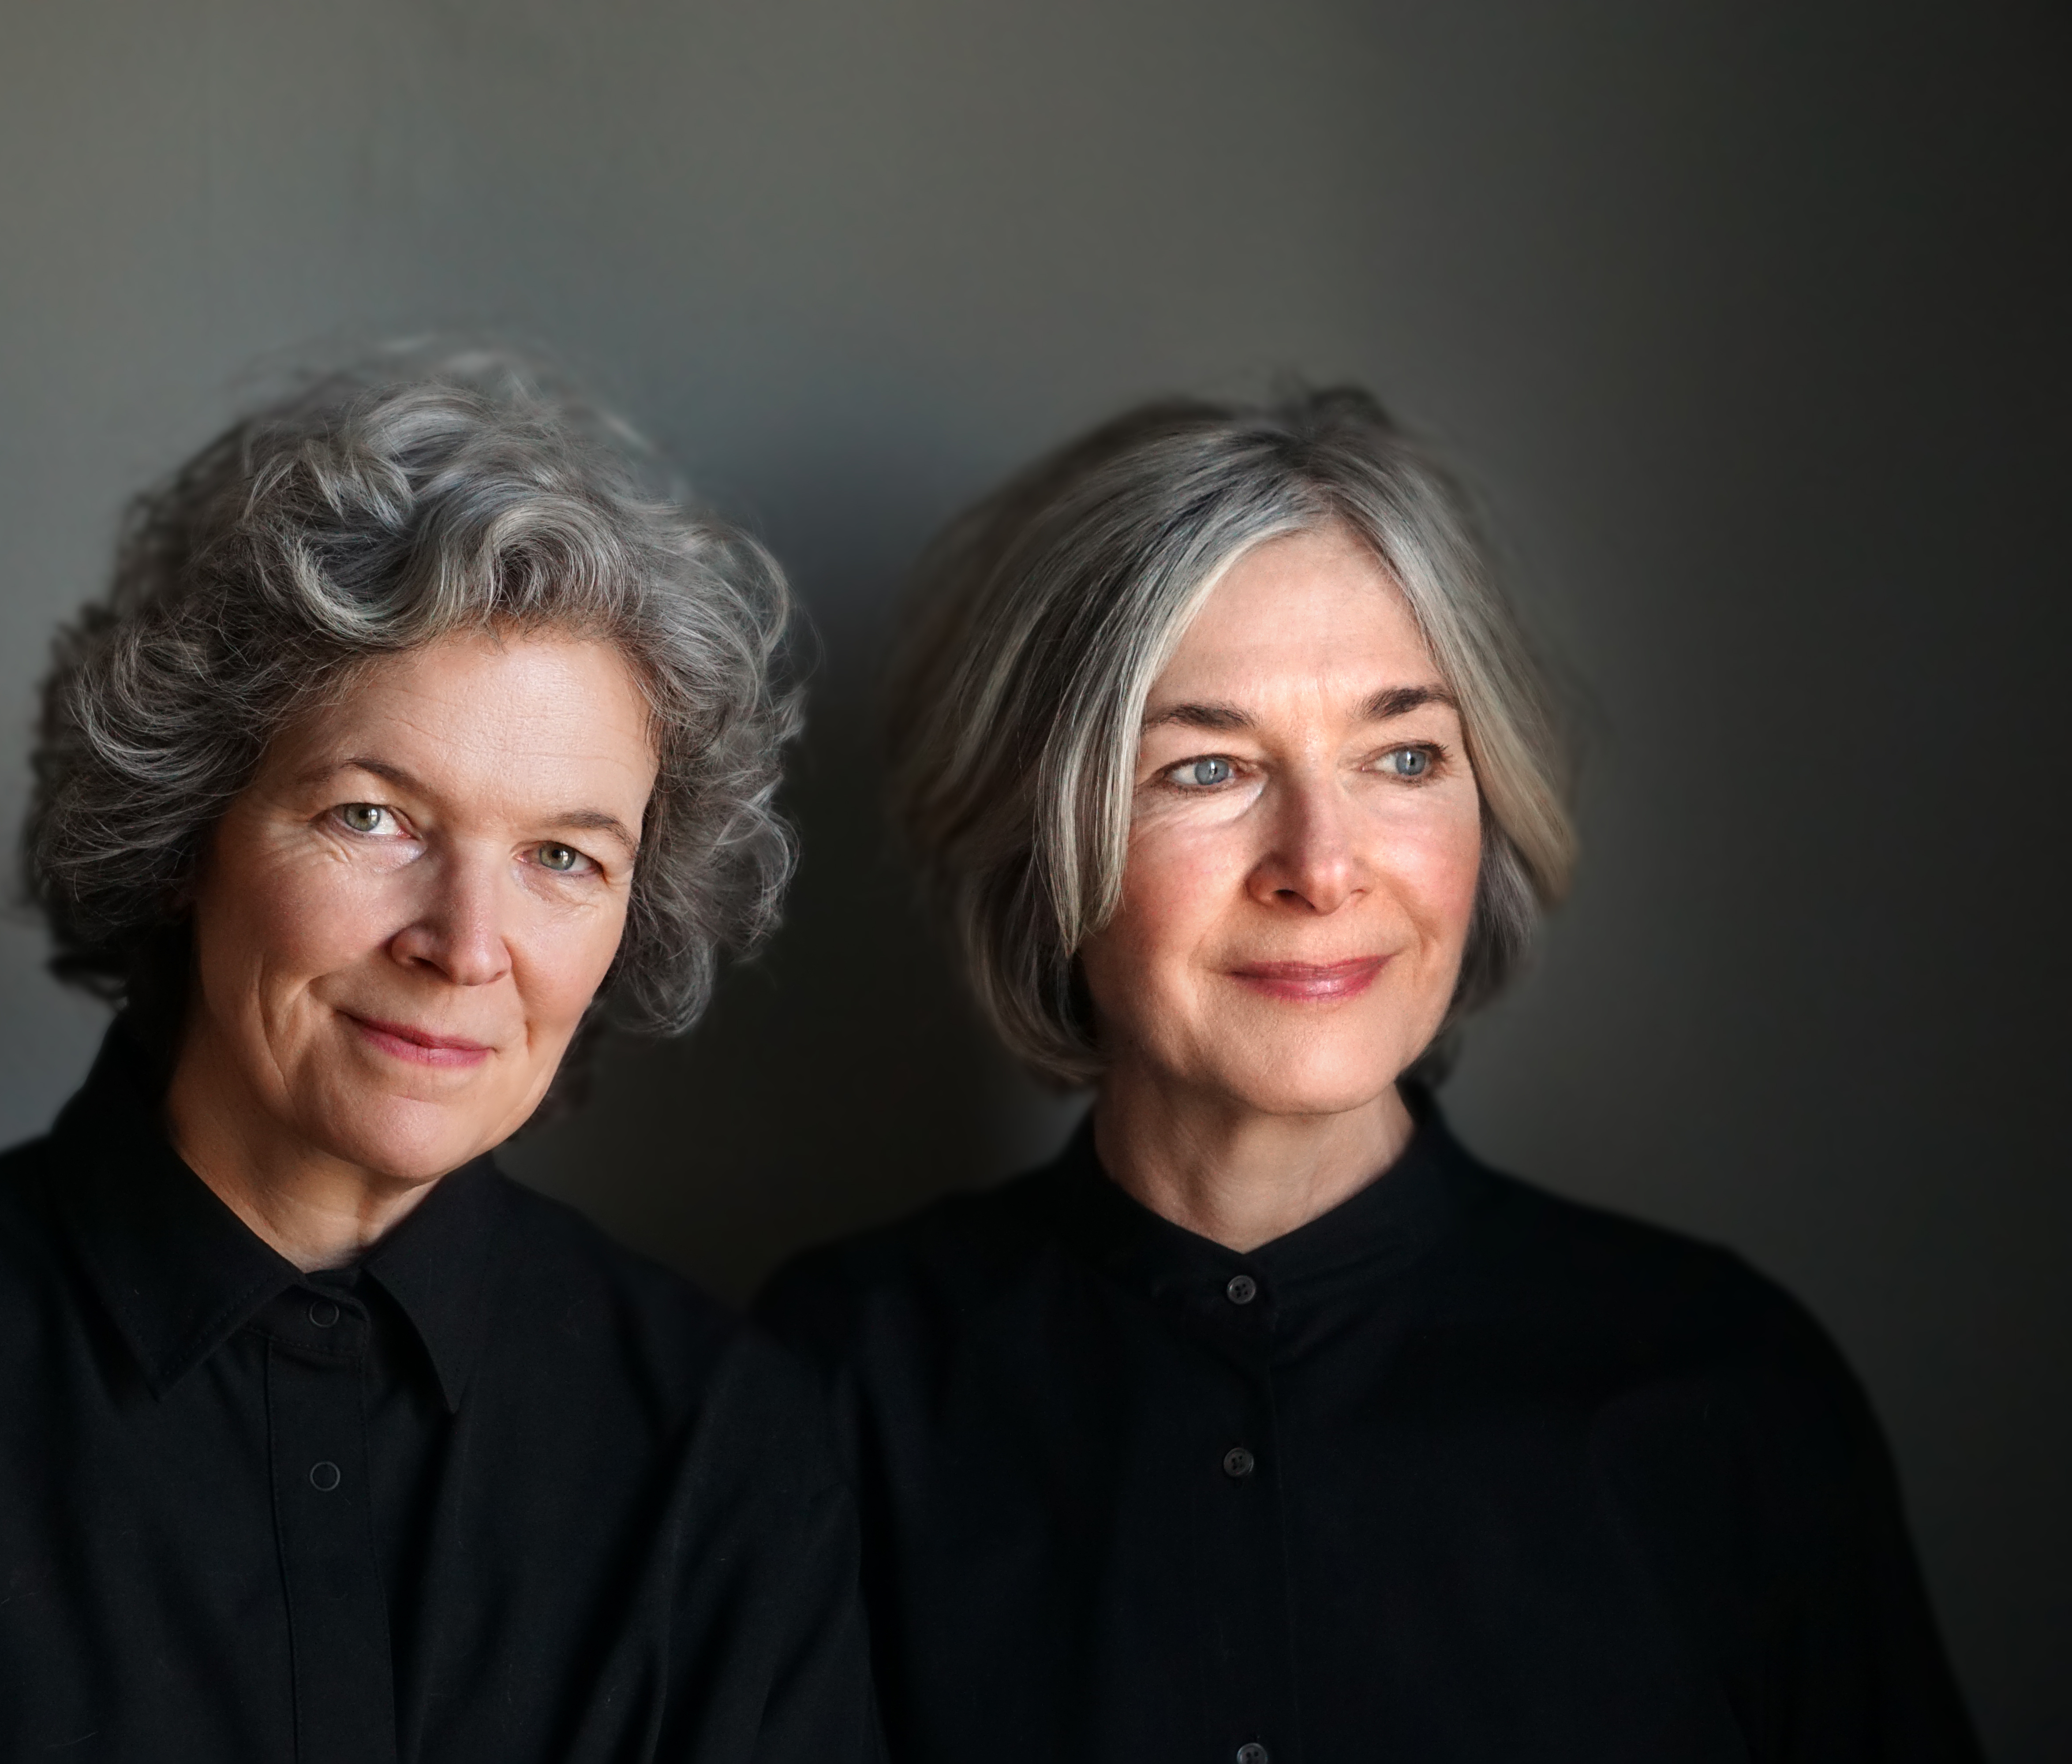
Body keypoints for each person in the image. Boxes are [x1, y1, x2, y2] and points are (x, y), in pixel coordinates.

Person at [0, 353, 878, 1763]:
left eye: (564, 855)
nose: (466, 940)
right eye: (374, 817)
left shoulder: (729, 1448)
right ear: (189, 831)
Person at [756, 389, 1979, 1762]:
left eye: (1403, 755)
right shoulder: (829, 1387)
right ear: (1042, 838)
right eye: (1208, 767)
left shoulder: (1726, 1389)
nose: (1323, 865)